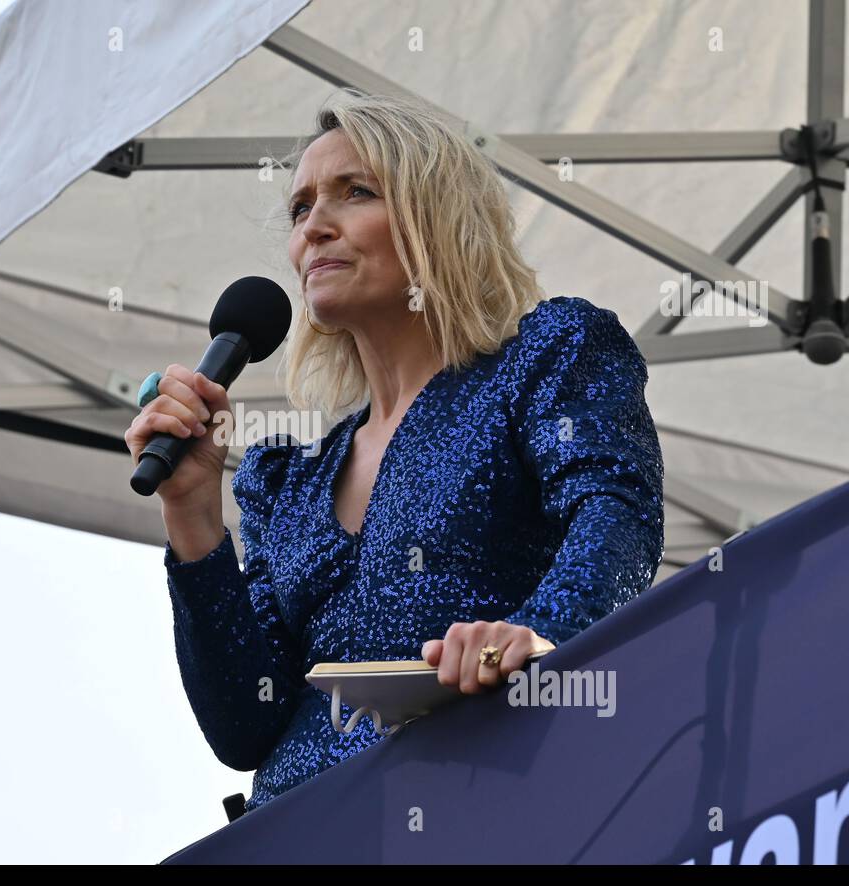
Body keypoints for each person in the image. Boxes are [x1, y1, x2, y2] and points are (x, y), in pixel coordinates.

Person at [124, 88, 665, 813]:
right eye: (300, 208)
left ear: (436, 216)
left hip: (492, 807)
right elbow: (244, 728)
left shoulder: (547, 354)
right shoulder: (286, 482)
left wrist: (534, 638)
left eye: (356, 192)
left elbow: (617, 517)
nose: (315, 226)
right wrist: (192, 516)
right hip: (305, 836)